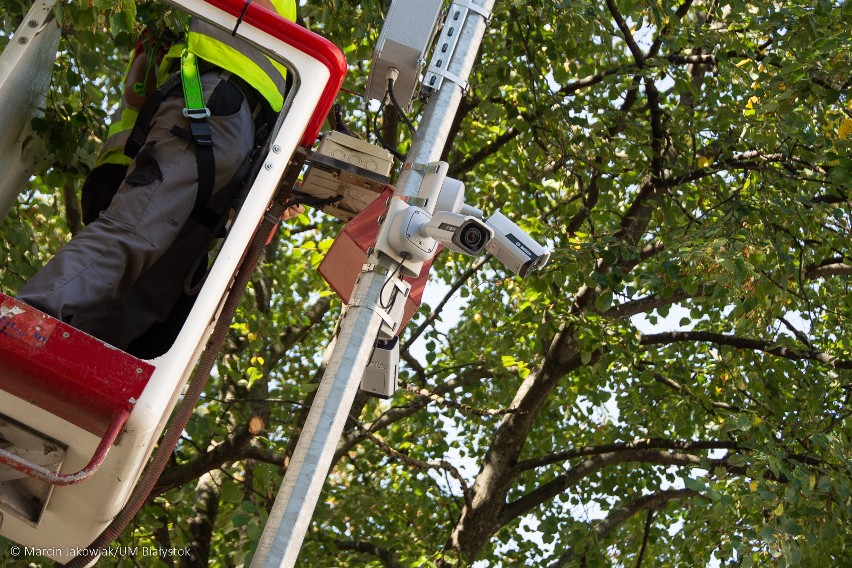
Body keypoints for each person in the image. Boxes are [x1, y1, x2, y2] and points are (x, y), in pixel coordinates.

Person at [18, 0, 302, 357]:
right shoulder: (192, 23)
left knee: (156, 286)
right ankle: (24, 321)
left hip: (243, 137)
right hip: (209, 105)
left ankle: (77, 362)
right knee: (134, 231)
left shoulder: (292, 18)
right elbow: (139, 84)